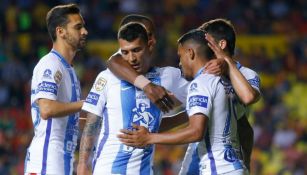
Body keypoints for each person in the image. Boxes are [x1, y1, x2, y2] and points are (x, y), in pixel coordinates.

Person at [118, 29, 250, 175]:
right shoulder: (225, 82)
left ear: (190, 53)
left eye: (180, 56)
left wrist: (149, 138)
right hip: (234, 165)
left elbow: (196, 132)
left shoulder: (200, 83)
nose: (179, 63)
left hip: (218, 169)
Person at [77, 22, 189, 175]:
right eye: (125, 52)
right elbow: (91, 122)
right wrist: (83, 164)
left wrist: (188, 116)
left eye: (136, 50)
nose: (132, 58)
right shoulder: (107, 77)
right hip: (108, 169)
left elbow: (203, 94)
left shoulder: (168, 76)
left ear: (149, 46)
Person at [24, 4, 88, 175]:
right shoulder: (51, 64)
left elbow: (65, 119)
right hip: (48, 158)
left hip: (61, 157)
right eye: (78, 27)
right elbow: (46, 109)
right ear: (61, 32)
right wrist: (86, 103)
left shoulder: (69, 70)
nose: (85, 32)